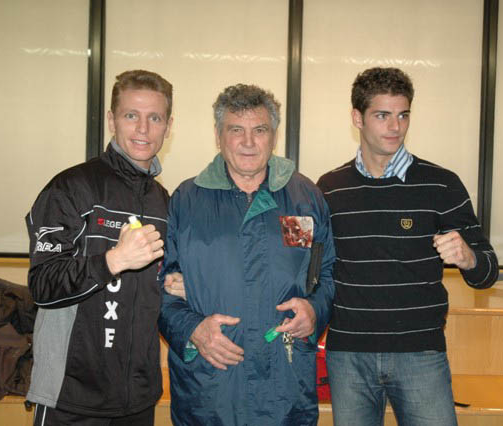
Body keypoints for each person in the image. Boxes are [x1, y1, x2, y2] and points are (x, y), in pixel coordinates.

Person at [316, 67, 499, 426]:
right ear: (357, 118)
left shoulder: (442, 185)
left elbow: (487, 272)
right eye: (382, 115)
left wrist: (468, 258)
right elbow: (315, 268)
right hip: (349, 355)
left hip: (420, 354)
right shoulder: (330, 188)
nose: (395, 127)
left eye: (403, 115)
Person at [159, 84, 335, 426]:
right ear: (218, 136)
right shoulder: (187, 201)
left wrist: (315, 310)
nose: (249, 142)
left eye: (260, 130)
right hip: (210, 392)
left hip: (286, 388)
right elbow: (157, 286)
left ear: (274, 136)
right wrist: (192, 328)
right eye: (236, 130)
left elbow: (326, 274)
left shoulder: (305, 198)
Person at [25, 69, 173, 426]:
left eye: (155, 118)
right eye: (131, 115)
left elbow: (151, 291)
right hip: (72, 397)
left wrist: (172, 283)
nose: (143, 129)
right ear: (111, 120)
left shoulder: (163, 201)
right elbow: (42, 285)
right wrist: (113, 261)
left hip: (137, 398)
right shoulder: (71, 187)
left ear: (168, 127)